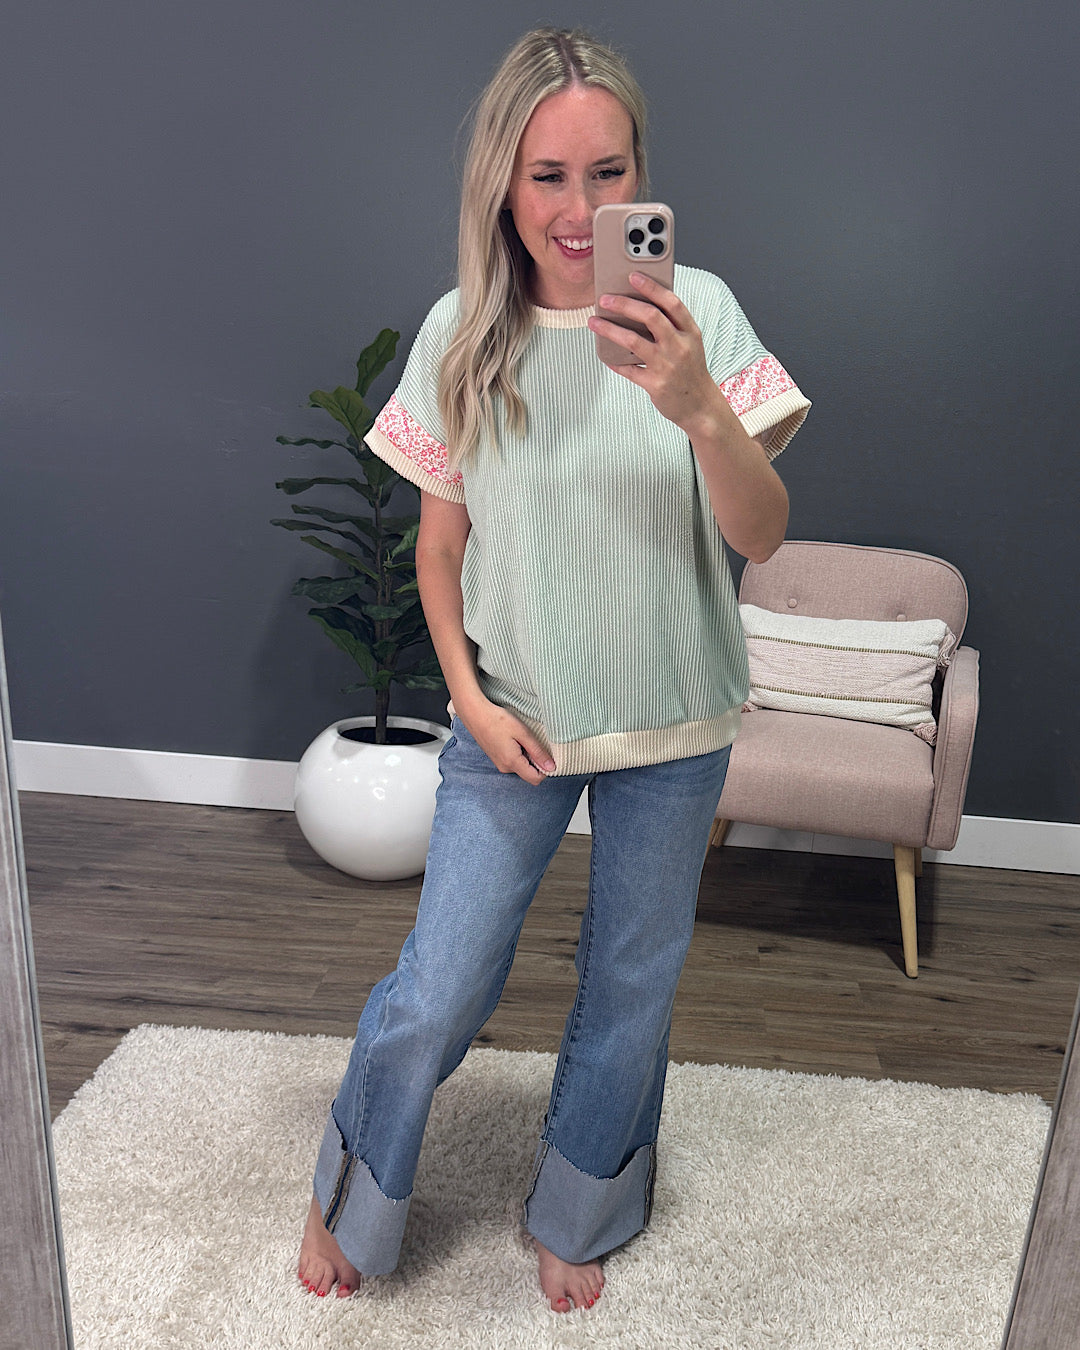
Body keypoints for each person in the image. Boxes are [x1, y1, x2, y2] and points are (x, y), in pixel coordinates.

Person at [297, 26, 810, 1313]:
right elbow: (439, 548)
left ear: (642, 177)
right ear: (503, 184)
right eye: (549, 176)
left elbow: (762, 536)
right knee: (441, 985)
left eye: (608, 172)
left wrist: (696, 404)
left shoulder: (703, 317)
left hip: (676, 726)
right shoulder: (462, 334)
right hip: (510, 722)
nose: (581, 210)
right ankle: (349, 1190)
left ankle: (581, 1206)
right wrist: (468, 702)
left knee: (631, 986)